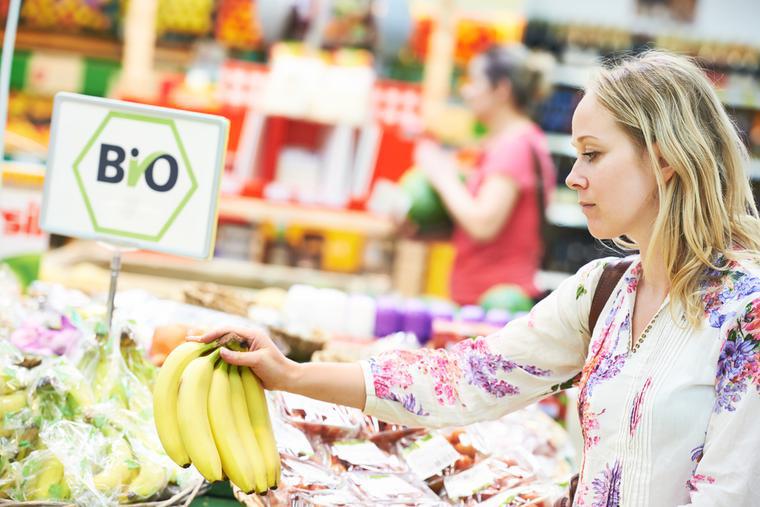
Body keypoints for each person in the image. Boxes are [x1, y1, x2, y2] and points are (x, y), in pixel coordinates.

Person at [192, 50, 760, 506]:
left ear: (664, 159)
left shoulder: (745, 313)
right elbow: (464, 378)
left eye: (592, 155)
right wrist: (290, 375)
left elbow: (729, 492)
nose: (573, 177)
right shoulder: (603, 291)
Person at [414, 44, 557, 305]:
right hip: (480, 300)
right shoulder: (508, 142)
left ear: (501, 90)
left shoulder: (515, 146)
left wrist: (441, 175)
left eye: (474, 81)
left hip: (495, 305)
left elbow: (483, 225)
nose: (466, 90)